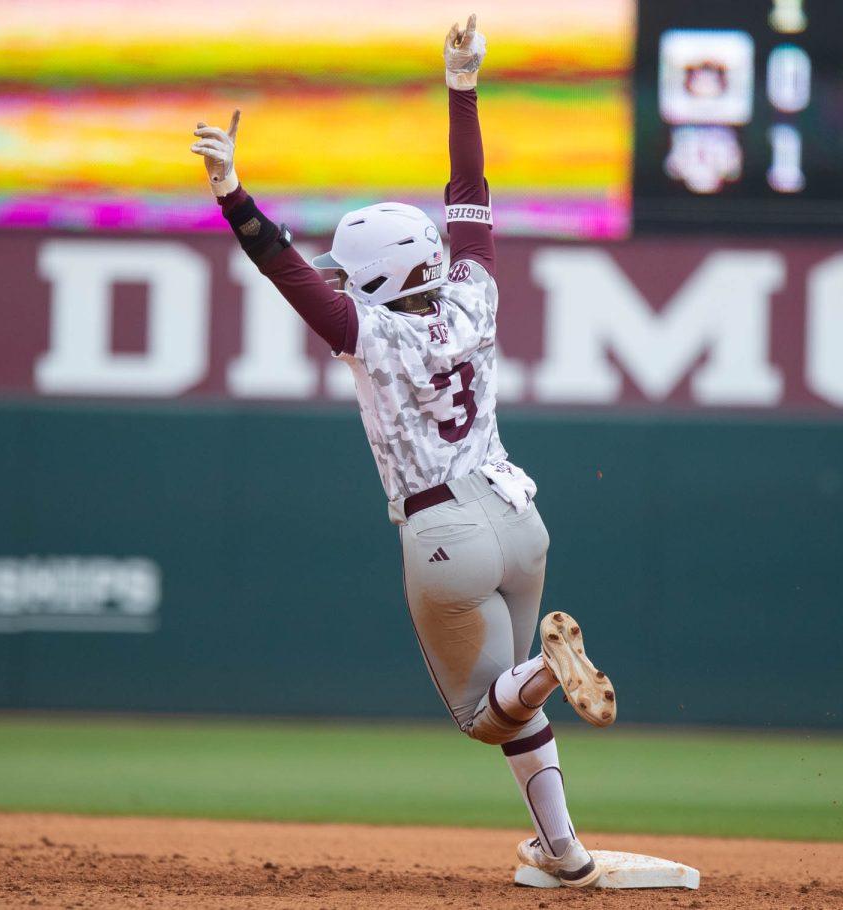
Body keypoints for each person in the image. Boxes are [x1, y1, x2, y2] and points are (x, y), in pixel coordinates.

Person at [191, 13, 617, 888]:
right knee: (517, 706)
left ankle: (546, 665)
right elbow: (470, 193)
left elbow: (286, 272)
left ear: (375, 280)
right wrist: (462, 90)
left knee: (482, 713)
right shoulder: (476, 293)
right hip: (515, 512)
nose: (339, 280)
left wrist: (234, 194)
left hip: (442, 532)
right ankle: (562, 850)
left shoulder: (370, 334)